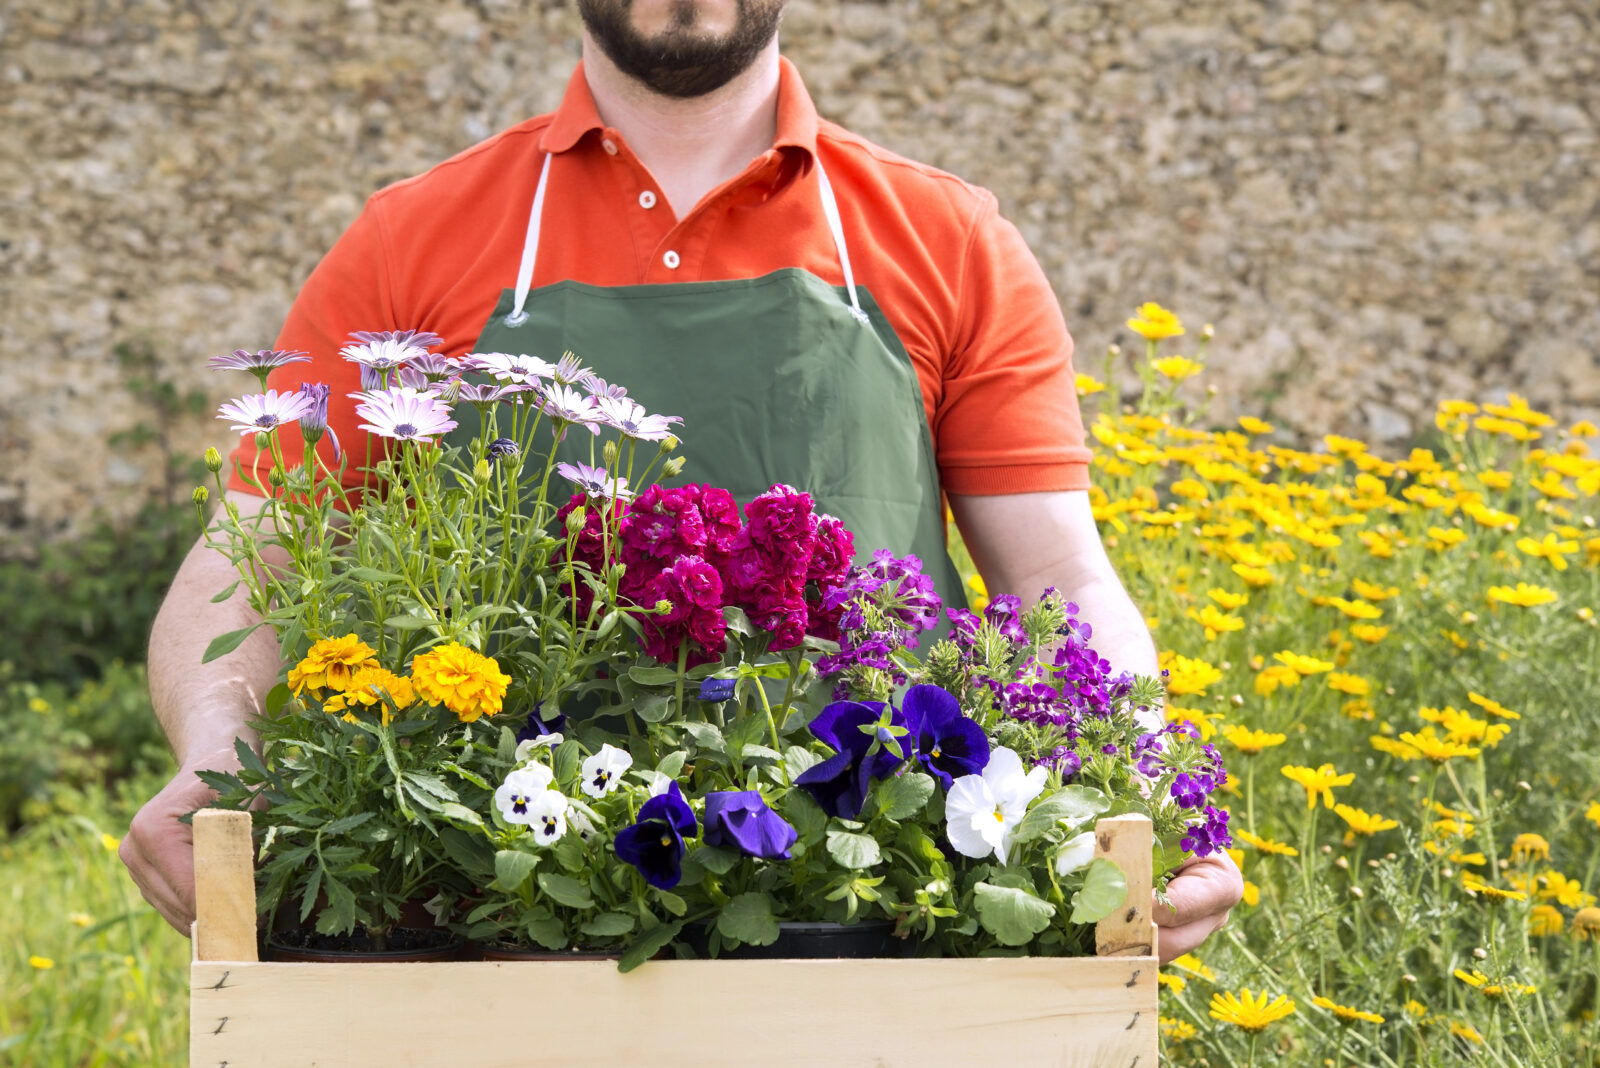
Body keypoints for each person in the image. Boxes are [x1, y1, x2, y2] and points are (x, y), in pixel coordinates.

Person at [121, 0, 1241, 962]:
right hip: (491, 918)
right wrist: (218, 764)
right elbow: (252, 548)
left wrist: (1139, 790)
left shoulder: (947, 238)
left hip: (877, 912)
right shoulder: (413, 238)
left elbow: (1059, 579)